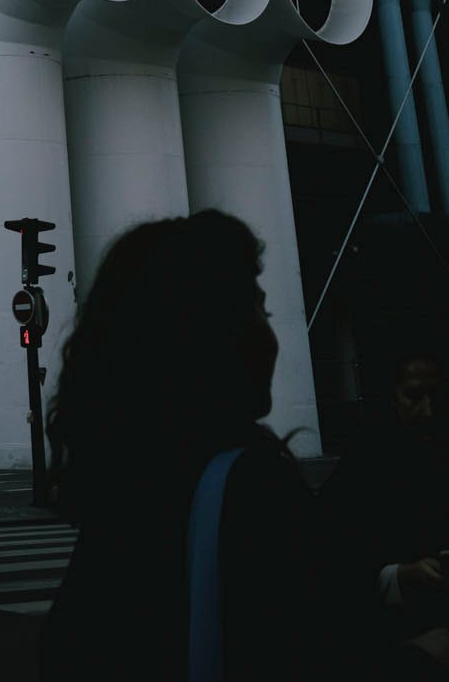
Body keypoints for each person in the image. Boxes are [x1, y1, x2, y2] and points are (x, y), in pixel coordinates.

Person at [41, 210, 356, 681]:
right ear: (215, 330)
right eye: (259, 308)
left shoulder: (123, 494)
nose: (270, 336)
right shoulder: (251, 486)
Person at [322, 350, 449, 673]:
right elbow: (332, 564)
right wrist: (400, 576)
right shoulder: (363, 466)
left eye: (434, 396)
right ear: (391, 399)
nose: (428, 411)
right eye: (414, 396)